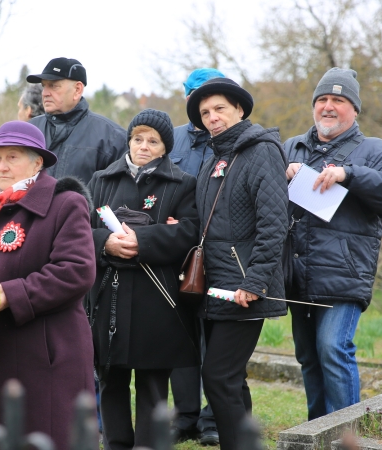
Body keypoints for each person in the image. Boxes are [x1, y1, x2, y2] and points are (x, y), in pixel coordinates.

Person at [0, 121, 95, 450]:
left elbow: (76, 270)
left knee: (41, 437)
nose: (2, 166)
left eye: (13, 157)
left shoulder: (64, 203)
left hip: (44, 353)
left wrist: (6, 294)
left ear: (38, 162)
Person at [283, 68, 382, 420]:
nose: (328, 107)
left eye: (338, 100)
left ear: (354, 109)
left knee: (332, 347)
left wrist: (349, 174)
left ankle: (348, 437)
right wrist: (281, 176)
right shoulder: (290, 146)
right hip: (296, 273)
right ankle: (316, 431)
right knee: (308, 355)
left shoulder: (375, 151)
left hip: (344, 274)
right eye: (322, 100)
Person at [87, 109, 200, 450]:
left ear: (165, 147)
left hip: (157, 301)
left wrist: (145, 241)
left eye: (154, 141)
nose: (144, 146)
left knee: (153, 384)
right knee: (111, 379)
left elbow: (190, 233)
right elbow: (78, 230)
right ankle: (117, 443)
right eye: (138, 139)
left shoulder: (182, 184)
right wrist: (104, 242)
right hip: (109, 297)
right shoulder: (101, 180)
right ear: (129, 141)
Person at [187, 77, 289, 450]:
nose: (212, 118)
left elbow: (274, 222)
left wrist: (256, 281)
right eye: (205, 113)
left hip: (245, 287)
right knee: (231, 379)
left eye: (219, 109)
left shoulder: (261, 150)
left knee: (218, 378)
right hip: (214, 286)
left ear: (240, 110)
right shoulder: (214, 158)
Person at [167, 68, 225, 445]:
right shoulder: (172, 139)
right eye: (194, 96)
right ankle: (185, 415)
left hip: (222, 255)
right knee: (181, 339)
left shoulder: (240, 139)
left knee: (220, 342)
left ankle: (215, 418)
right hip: (179, 254)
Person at [27, 57, 126, 184]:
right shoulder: (30, 130)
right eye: (44, 86)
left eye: (53, 86)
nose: (45, 93)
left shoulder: (113, 138)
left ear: (77, 89)